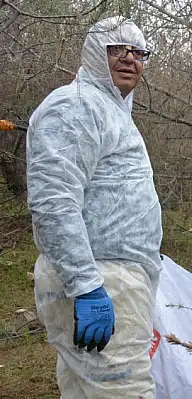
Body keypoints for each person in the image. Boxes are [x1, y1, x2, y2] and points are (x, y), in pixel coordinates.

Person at [26, 16, 162, 398]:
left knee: (85, 391)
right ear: (92, 53)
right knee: (123, 391)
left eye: (138, 52)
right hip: (101, 281)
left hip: (114, 278)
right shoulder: (76, 106)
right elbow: (54, 202)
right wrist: (86, 287)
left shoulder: (111, 112)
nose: (128, 58)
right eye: (116, 49)